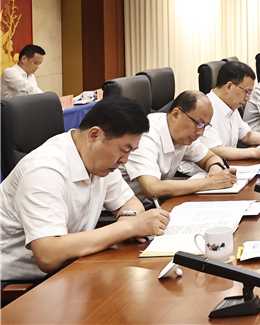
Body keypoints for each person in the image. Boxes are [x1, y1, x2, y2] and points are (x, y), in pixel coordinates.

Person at [0, 97, 170, 282]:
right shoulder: (43, 171)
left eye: (131, 152)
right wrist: (129, 227)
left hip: (74, 267)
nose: (125, 160)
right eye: (123, 150)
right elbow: (48, 256)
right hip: (21, 284)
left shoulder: (98, 160)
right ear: (94, 136)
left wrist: (128, 223)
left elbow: (130, 203)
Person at [178, 62, 260, 174]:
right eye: (246, 91)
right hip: (199, 174)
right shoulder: (207, 109)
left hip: (226, 167)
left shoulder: (230, 106)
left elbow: (246, 135)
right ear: (229, 86)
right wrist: (255, 153)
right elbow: (214, 150)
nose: (248, 98)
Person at [121, 91, 237, 205]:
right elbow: (152, 189)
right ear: (176, 114)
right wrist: (210, 182)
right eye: (199, 124)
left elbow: (210, 157)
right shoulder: (146, 136)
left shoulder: (182, 134)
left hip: (156, 204)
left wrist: (215, 168)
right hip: (126, 209)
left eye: (205, 126)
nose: (201, 133)